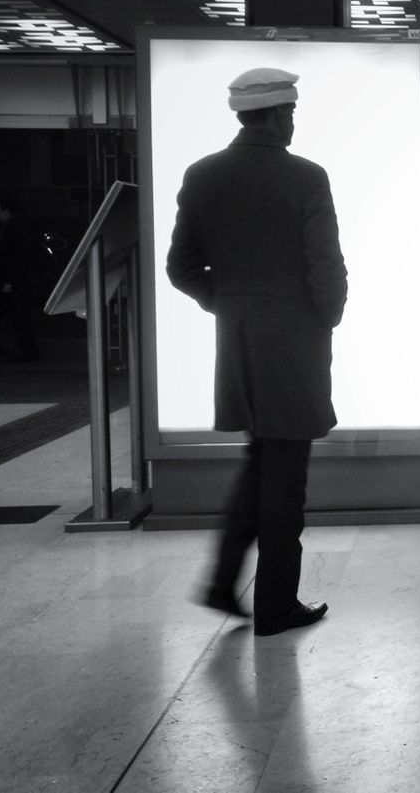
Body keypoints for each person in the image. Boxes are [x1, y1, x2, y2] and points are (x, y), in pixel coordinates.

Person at [167, 67, 348, 636]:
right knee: (285, 479)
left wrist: (230, 305)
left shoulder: (203, 175)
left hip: (239, 345)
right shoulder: (305, 178)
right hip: (293, 345)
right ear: (274, 115)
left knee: (260, 462)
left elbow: (181, 267)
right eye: (289, 113)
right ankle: (275, 605)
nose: (293, 122)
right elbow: (326, 266)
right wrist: (326, 317)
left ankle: (223, 582)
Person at [0, 198, 41, 362]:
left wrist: (9, 280)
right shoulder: (15, 226)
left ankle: (28, 349)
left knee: (18, 315)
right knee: (17, 314)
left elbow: (16, 257)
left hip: (12, 278)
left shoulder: (13, 228)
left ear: (5, 210)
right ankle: (27, 349)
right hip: (13, 278)